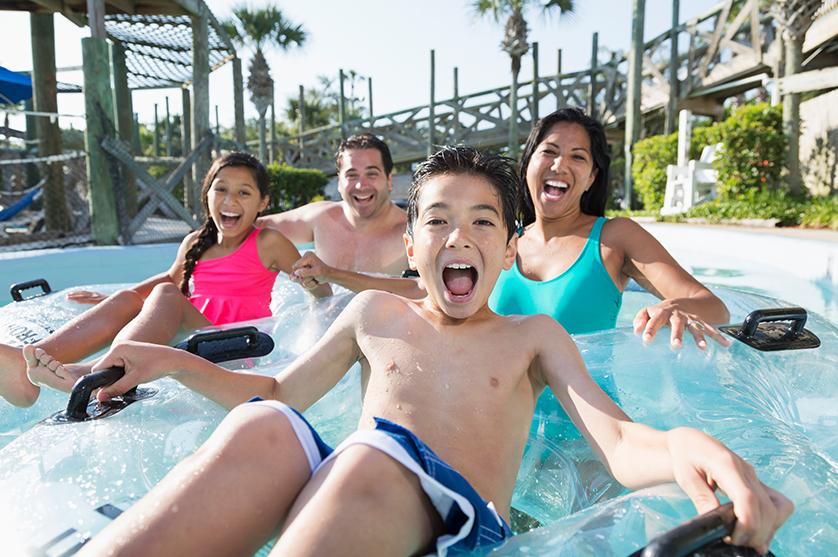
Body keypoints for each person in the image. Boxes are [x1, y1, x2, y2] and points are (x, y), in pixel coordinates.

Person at [73, 147, 790, 557]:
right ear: (411, 248)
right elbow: (280, 394)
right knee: (266, 429)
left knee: (362, 457)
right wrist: (167, 359)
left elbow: (622, 441)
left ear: (508, 250)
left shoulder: (530, 339)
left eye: (482, 221)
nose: (458, 237)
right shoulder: (375, 312)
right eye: (438, 221)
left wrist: (688, 444)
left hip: (457, 523)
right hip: (357, 491)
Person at [292, 109, 731, 349]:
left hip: (584, 436)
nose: (560, 165)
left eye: (579, 157)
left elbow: (710, 304)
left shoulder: (614, 237)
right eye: (550, 151)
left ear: (593, 177)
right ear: (529, 162)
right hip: (500, 423)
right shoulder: (497, 237)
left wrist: (674, 308)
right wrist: (331, 275)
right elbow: (415, 288)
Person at [0, 152, 330, 407]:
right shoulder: (195, 242)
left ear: (262, 203)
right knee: (131, 298)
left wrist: (316, 285)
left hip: (234, 350)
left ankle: (94, 372)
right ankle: (25, 364)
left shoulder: (266, 242)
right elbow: (172, 278)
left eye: (244, 193)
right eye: (222, 190)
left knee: (165, 295)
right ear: (207, 195)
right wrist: (117, 299)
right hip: (190, 342)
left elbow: (319, 288)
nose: (230, 201)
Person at [259, 132, 409, 276]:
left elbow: (419, 290)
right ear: (339, 182)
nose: (360, 186)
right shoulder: (321, 218)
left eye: (372, 174)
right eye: (351, 175)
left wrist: (331, 275)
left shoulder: (411, 232)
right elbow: (254, 227)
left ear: (389, 180)